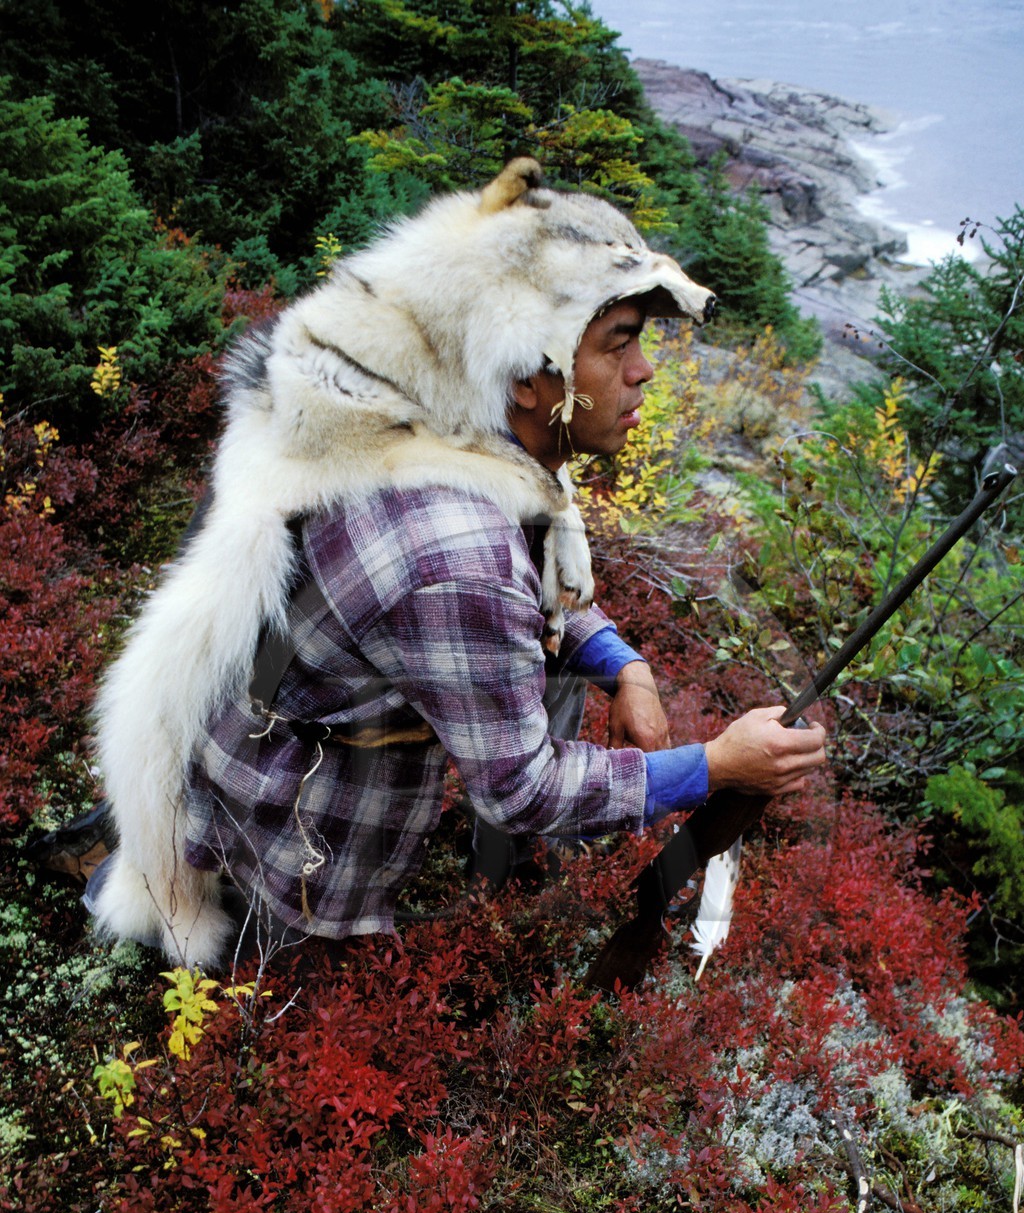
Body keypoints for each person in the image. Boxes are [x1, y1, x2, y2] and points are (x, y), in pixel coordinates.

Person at [87, 158, 825, 969]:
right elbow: (524, 785)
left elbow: (531, 584)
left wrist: (625, 665)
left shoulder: (445, 424)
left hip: (254, 736)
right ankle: (263, 949)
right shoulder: (454, 549)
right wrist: (716, 766)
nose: (644, 370)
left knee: (550, 667)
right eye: (618, 344)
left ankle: (490, 875)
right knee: (298, 991)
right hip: (297, 826)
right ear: (530, 377)